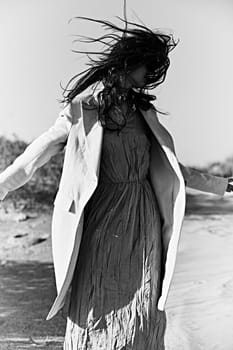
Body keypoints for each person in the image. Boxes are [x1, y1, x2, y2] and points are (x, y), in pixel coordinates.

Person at [0, 16, 232, 350]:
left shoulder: (144, 114)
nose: (147, 76)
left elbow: (173, 169)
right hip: (102, 218)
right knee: (97, 295)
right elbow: (36, 152)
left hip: (143, 218)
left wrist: (222, 184)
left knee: (143, 300)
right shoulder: (83, 112)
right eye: (144, 67)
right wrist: (4, 185)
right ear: (127, 65)